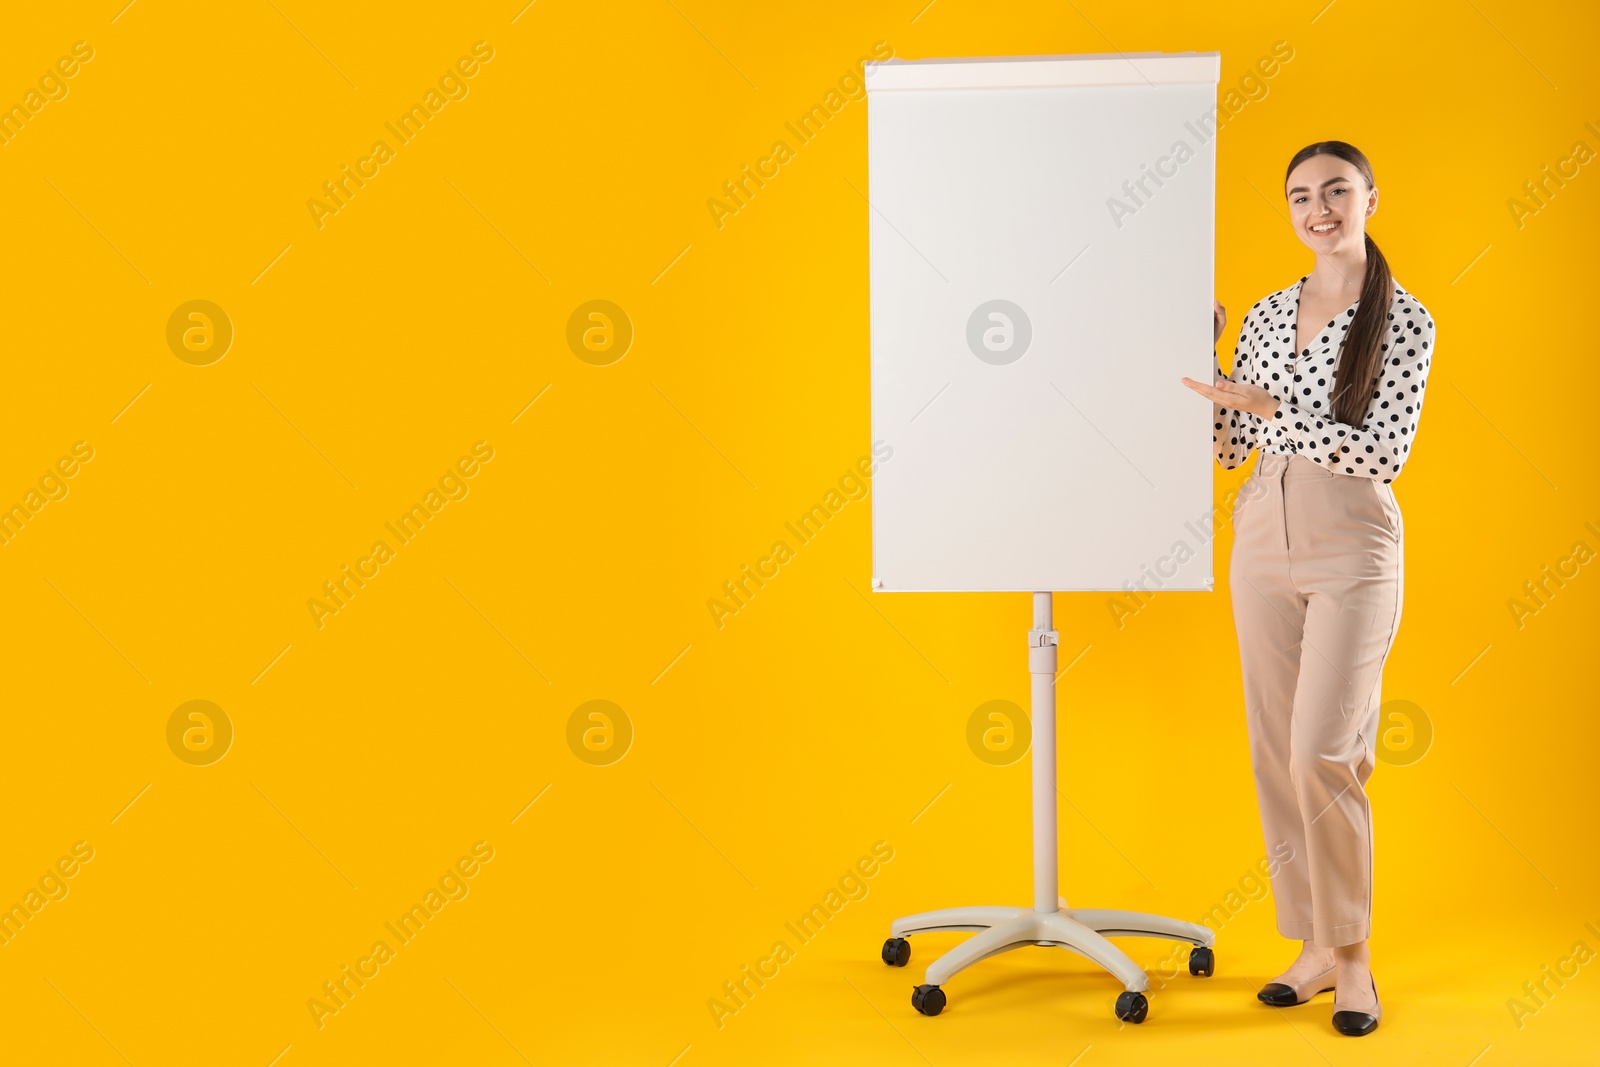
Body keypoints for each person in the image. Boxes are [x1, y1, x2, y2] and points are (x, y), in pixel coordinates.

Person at [1180, 140, 1436, 1037]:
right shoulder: (1262, 313)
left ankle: (1356, 958)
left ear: (1371, 196)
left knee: (1323, 751)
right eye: (1300, 195)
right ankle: (1314, 947)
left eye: (1335, 190)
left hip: (1352, 545)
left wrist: (1270, 409)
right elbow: (1226, 449)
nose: (1318, 207)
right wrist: (1208, 357)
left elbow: (1382, 452)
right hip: (1261, 536)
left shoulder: (1404, 318)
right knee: (1271, 748)